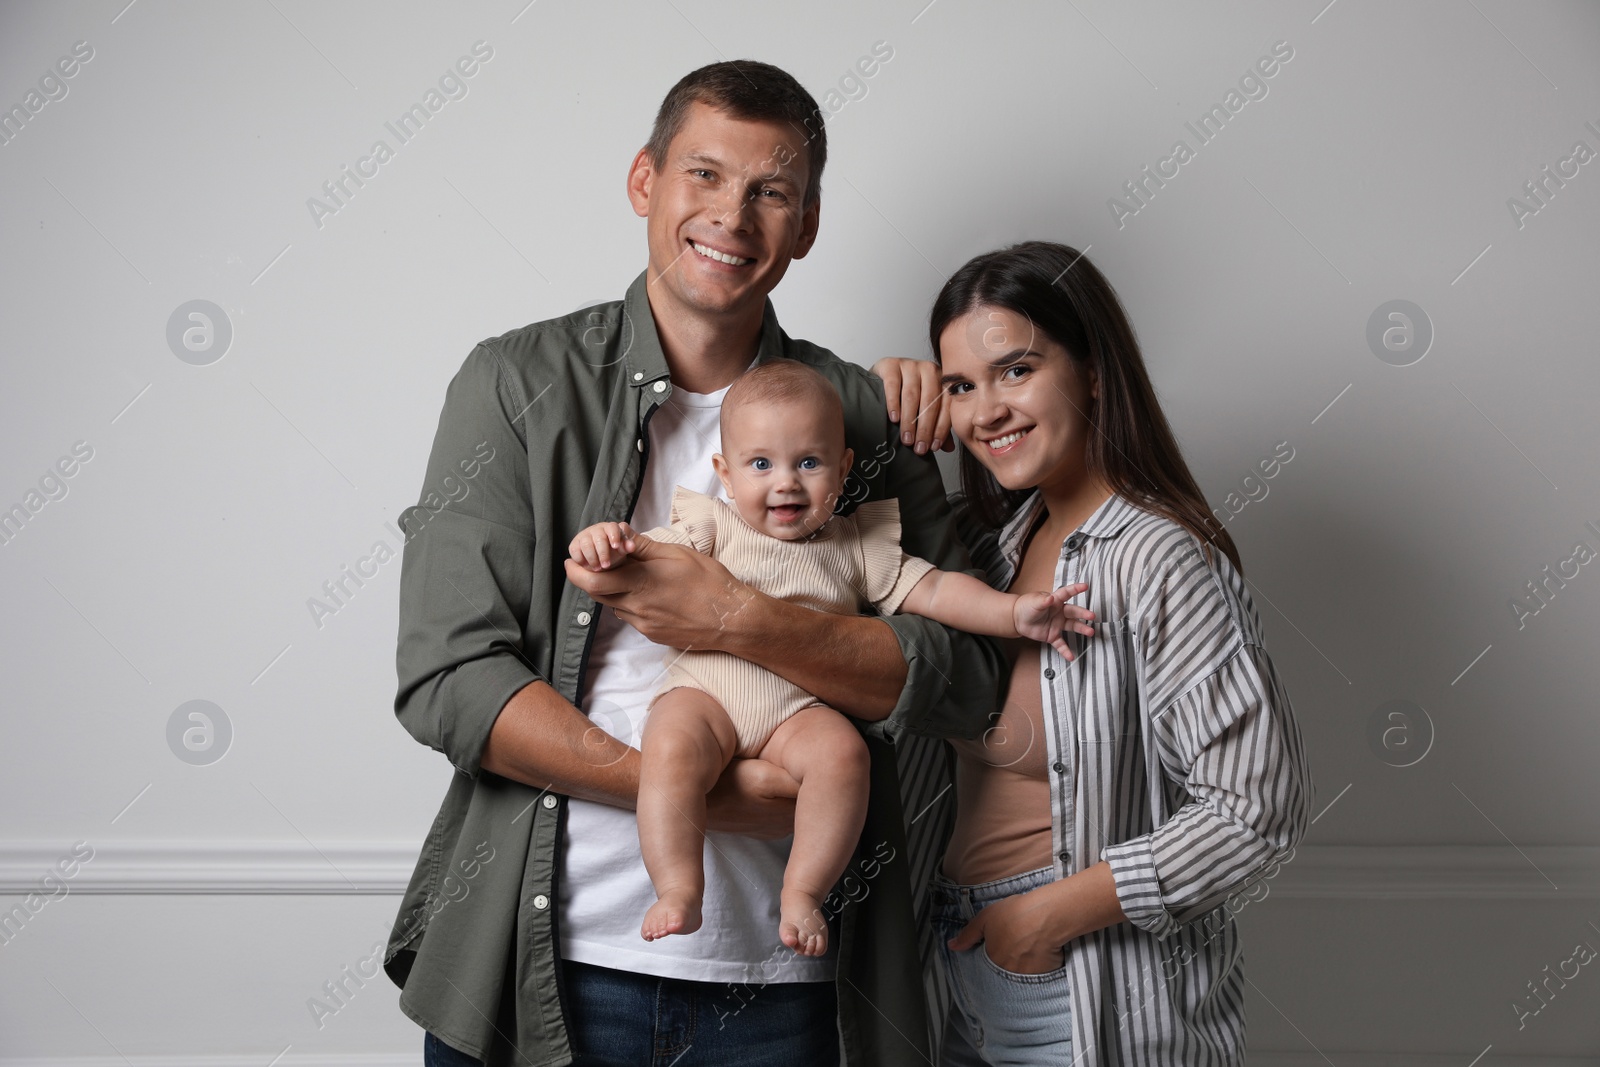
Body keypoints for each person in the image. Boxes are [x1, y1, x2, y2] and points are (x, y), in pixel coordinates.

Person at [384, 60, 1008, 1067]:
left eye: (772, 191)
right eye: (704, 176)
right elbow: (450, 677)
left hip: (790, 989)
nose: (732, 215)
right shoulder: (515, 384)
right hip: (543, 958)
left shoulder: (862, 418)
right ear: (645, 181)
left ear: (806, 224)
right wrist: (686, 788)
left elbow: (964, 681)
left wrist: (738, 618)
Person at [872, 240, 1314, 1065]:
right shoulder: (989, 553)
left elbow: (1255, 806)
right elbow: (823, 538)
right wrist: (877, 403)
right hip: (956, 968)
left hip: (1082, 984)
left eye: (1017, 370)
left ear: (1095, 371)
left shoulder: (1156, 557)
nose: (984, 411)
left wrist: (1044, 918)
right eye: (961, 385)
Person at [566, 360, 1095, 958]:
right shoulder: (711, 527)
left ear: (844, 469)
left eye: (808, 463)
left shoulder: (857, 546)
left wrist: (1013, 612)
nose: (786, 483)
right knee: (670, 749)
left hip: (798, 709)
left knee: (844, 755)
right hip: (706, 695)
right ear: (726, 474)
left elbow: (941, 591)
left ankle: (803, 890)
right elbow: (640, 558)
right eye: (761, 464)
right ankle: (679, 885)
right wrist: (604, 542)